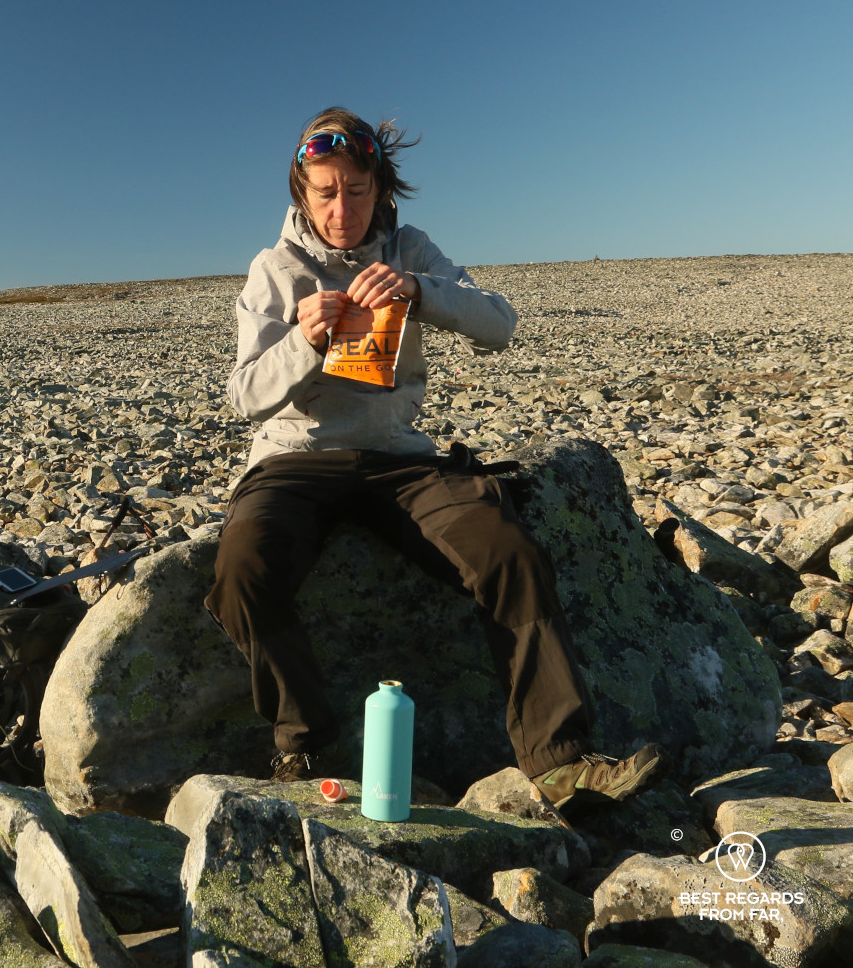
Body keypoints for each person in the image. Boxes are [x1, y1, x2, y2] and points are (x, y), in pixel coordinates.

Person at [206, 106, 664, 809]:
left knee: (508, 550)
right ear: (301, 193)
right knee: (243, 567)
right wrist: (302, 341)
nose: (341, 209)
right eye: (324, 192)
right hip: (296, 459)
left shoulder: (410, 247)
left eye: (355, 190)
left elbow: (499, 323)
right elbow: (244, 394)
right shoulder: (275, 269)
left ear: (379, 187)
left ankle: (560, 761)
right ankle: (306, 742)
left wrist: (422, 292)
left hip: (401, 459)